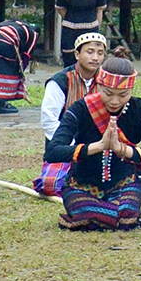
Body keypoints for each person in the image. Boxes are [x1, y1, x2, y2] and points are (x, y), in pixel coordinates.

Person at [44, 57, 141, 231]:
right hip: (81, 186)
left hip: (124, 184)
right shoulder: (80, 109)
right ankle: (105, 215)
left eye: (123, 94)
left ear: (131, 89)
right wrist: (98, 146)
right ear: (99, 85)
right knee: (107, 214)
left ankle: (105, 215)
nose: (115, 101)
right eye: (108, 93)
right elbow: (53, 152)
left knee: (127, 213)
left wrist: (121, 149)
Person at [36, 31, 106, 196]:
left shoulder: (106, 81)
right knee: (50, 184)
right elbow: (49, 120)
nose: (95, 57)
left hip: (99, 148)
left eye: (100, 53)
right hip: (66, 147)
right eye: (90, 52)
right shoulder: (60, 81)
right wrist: (74, 146)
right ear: (77, 54)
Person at [0, 17, 37, 116]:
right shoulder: (33, 34)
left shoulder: (12, 23)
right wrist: (21, 75)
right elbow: (26, 56)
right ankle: (1, 104)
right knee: (9, 71)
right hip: (6, 42)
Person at [56, 0, 106, 69]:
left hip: (90, 30)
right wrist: (72, 20)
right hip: (70, 31)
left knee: (91, 63)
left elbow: (100, 10)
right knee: (70, 64)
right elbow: (60, 8)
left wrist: (96, 28)